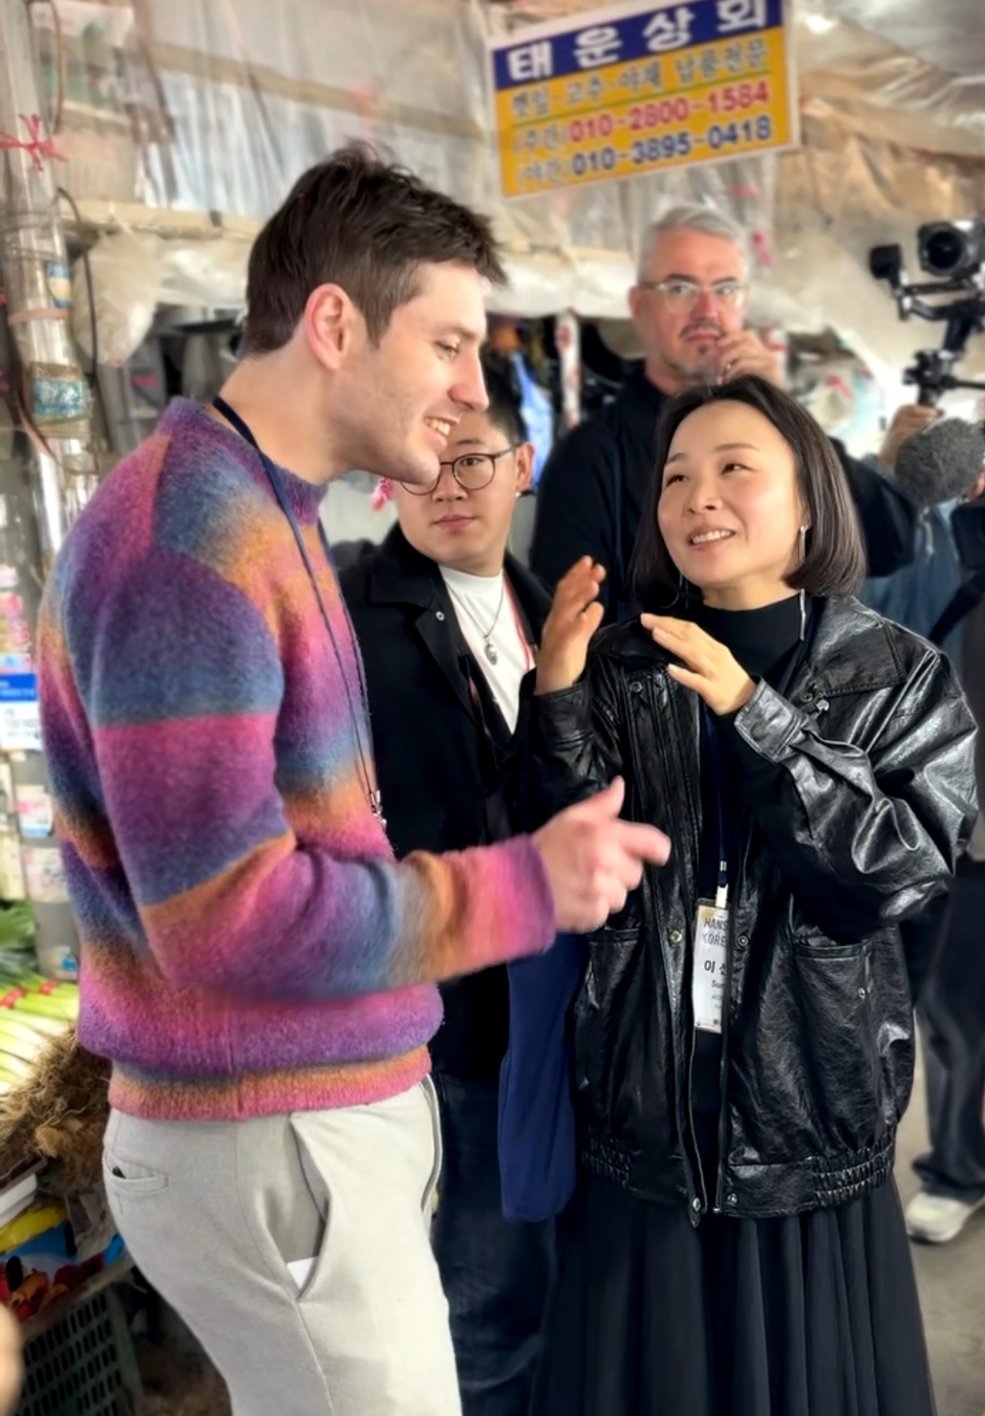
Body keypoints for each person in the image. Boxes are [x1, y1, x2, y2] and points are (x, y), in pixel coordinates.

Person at [35, 147, 670, 1416]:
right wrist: (521, 887)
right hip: (266, 1134)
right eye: (447, 344)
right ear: (334, 325)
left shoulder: (265, 513)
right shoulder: (190, 548)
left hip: (302, 1127)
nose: (470, 390)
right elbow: (224, 918)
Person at [517, 375, 975, 1416]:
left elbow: (892, 877)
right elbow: (572, 870)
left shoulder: (898, 675)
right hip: (646, 1114)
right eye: (676, 477)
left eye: (734, 469)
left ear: (808, 499)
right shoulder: (622, 661)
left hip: (805, 1120)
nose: (698, 497)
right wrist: (556, 699)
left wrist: (753, 712)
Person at [342, 361, 554, 1416]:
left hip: (549, 998)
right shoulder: (352, 618)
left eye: (472, 459)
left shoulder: (549, 602)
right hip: (448, 1014)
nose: (447, 486)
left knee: (546, 1268)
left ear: (521, 465)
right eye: (424, 463)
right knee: (482, 1292)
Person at [530, 205, 917, 619]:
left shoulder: (775, 434)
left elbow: (886, 543)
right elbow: (572, 627)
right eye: (681, 288)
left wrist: (782, 413)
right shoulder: (593, 456)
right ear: (640, 306)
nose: (707, 311)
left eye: (725, 289)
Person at [907, 350, 985, 1245]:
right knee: (949, 1015)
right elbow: (890, 628)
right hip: (962, 832)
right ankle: (954, 1169)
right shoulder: (945, 529)